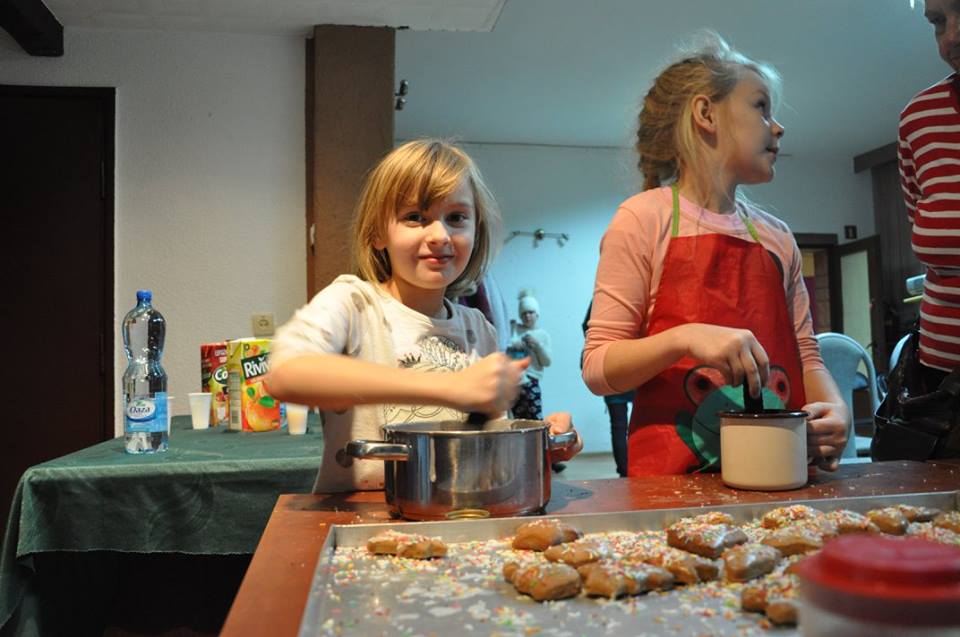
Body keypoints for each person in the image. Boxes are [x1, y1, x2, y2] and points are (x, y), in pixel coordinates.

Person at [582, 33, 849, 476]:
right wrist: (685, 338)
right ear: (706, 114)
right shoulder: (642, 219)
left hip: (779, 472)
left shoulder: (777, 238)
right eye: (761, 107)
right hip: (670, 487)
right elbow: (598, 367)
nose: (778, 126)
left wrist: (834, 408)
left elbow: (807, 357)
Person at [265, 139, 581, 492]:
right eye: (415, 217)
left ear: (476, 231)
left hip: (458, 512)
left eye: (457, 218)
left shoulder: (479, 329)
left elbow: (490, 447)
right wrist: (451, 387)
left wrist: (543, 443)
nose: (440, 235)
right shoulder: (353, 304)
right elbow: (284, 374)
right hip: (362, 517)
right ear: (376, 233)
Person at [898, 0, 960, 390]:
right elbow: (919, 223)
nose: (952, 36)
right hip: (941, 382)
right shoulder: (918, 119)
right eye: (938, 22)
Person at [582, 302, 631, 477]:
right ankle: (636, 470)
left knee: (618, 426)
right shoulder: (637, 294)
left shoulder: (601, 300)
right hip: (637, 365)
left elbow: (586, 326)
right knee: (644, 421)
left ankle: (624, 472)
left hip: (611, 365)